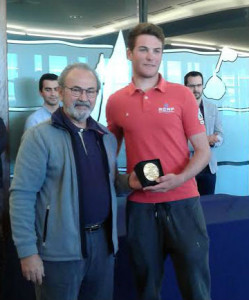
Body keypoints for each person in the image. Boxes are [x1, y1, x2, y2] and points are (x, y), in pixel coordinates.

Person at [10, 63, 139, 300]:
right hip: (59, 252)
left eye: (90, 91)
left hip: (103, 246)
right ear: (60, 92)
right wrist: (27, 251)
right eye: (76, 90)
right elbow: (21, 196)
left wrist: (129, 182)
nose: (84, 98)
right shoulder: (38, 137)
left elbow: (109, 185)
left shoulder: (105, 137)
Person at [106, 23, 211, 300]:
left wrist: (180, 179)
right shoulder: (116, 102)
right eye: (143, 49)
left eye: (157, 51)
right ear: (130, 53)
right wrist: (123, 182)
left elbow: (203, 151)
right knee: (146, 288)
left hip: (184, 203)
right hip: (140, 208)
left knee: (197, 287)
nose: (151, 56)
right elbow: (105, 156)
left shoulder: (182, 95)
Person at [184, 71, 223, 195]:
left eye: (199, 85)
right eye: (191, 86)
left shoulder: (212, 108)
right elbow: (178, 142)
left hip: (209, 168)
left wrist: (216, 140)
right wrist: (206, 140)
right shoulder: (179, 109)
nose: (196, 89)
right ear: (185, 87)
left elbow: (220, 135)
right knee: (189, 207)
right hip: (188, 169)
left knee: (209, 207)